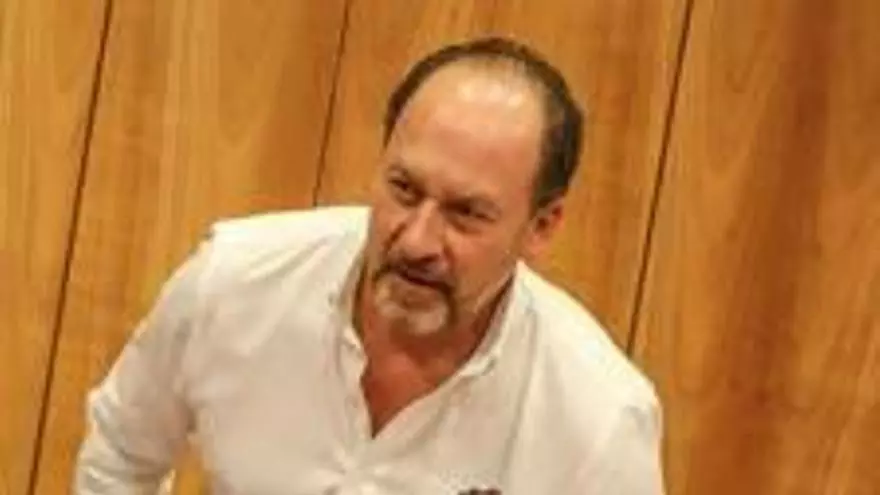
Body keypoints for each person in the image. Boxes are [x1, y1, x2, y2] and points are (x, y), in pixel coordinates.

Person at [76, 36, 664, 494]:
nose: (417, 241)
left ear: (542, 226)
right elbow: (120, 454)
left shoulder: (599, 419)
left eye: (466, 213)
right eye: (404, 189)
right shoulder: (234, 282)